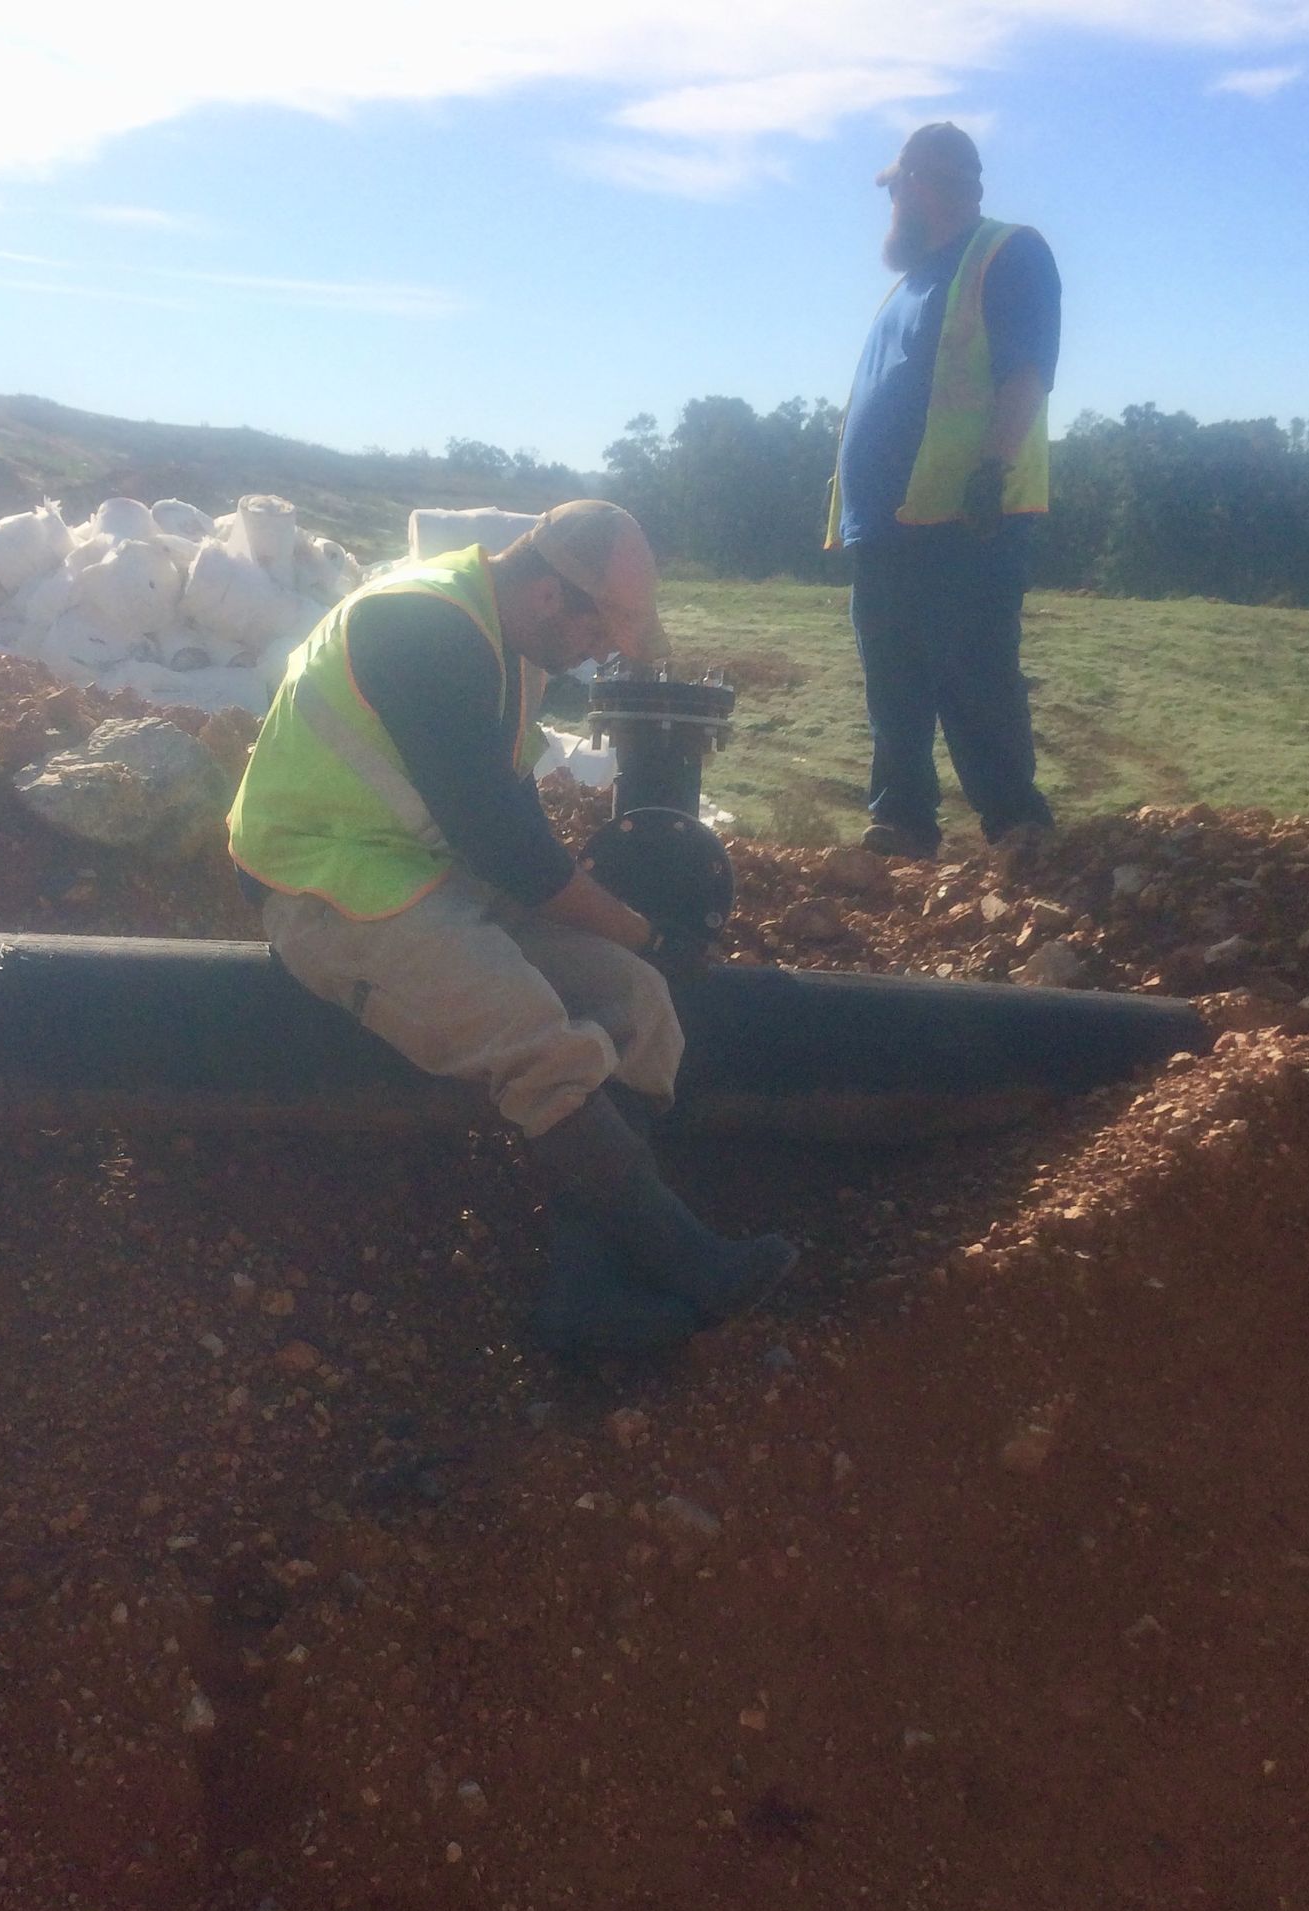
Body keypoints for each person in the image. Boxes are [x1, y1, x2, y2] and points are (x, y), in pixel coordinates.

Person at [227, 499, 796, 1353]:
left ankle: (589, 1291)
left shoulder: (510, 645)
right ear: (546, 598)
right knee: (536, 1035)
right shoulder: (420, 625)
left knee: (637, 1005)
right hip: (327, 884)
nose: (604, 652)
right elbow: (508, 847)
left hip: (423, 872)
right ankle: (685, 1258)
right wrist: (642, 930)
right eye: (600, 628)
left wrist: (632, 952)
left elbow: (513, 824)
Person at [826, 121, 1062, 858]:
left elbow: (1026, 371)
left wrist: (989, 472)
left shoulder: (1006, 253)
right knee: (893, 680)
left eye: (894, 188)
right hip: (887, 522)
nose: (891, 204)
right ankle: (901, 823)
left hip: (965, 513)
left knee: (974, 670)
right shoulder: (913, 280)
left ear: (920, 182)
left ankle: (1016, 825)